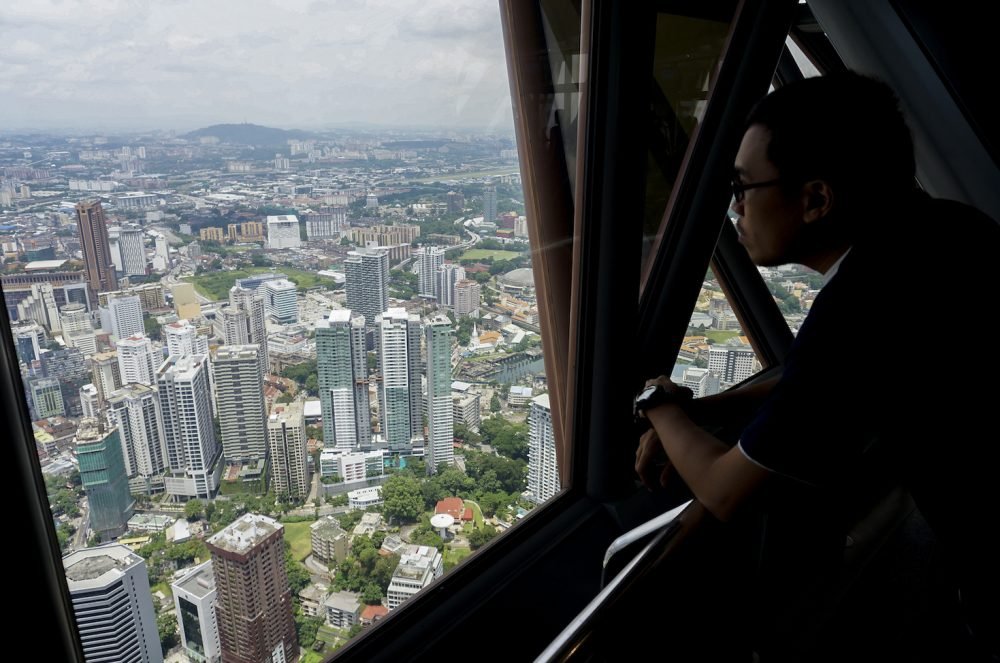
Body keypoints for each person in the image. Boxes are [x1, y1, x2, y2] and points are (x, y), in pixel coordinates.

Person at [634, 71, 1000, 660]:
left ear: (815, 199)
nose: (735, 210)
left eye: (743, 188)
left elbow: (728, 493)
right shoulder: (950, 231)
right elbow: (828, 383)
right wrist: (712, 408)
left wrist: (658, 405)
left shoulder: (866, 300)